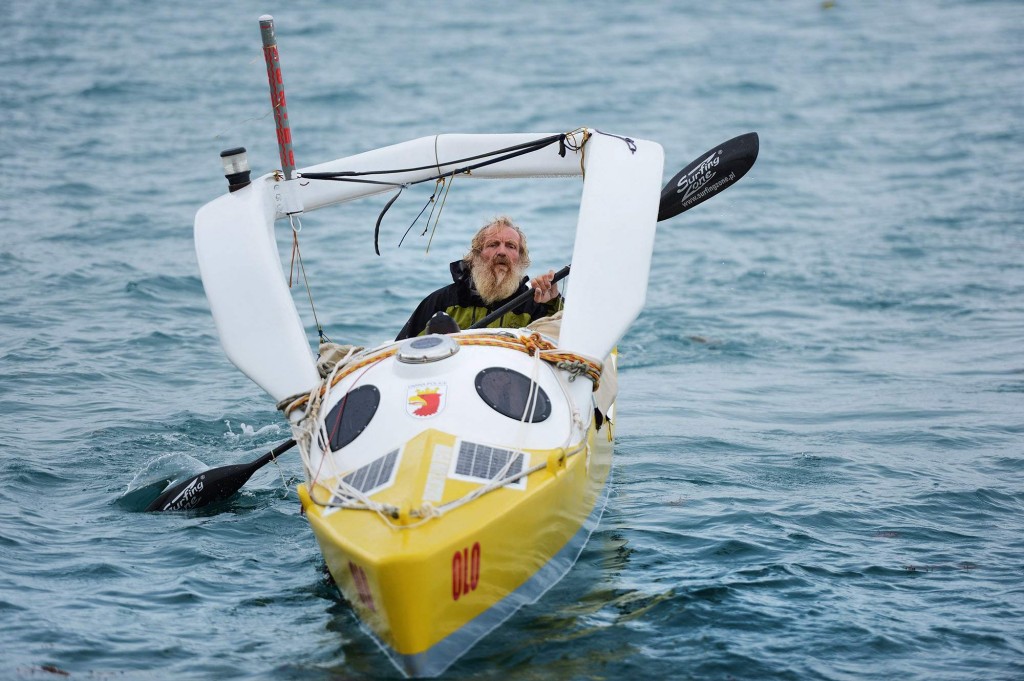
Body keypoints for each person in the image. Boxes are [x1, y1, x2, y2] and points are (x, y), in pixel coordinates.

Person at [396, 216, 563, 340]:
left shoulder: (535, 306)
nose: (502, 252)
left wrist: (552, 303)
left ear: (520, 259)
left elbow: (565, 349)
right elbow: (401, 349)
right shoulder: (442, 303)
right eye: (493, 244)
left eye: (510, 246)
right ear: (476, 255)